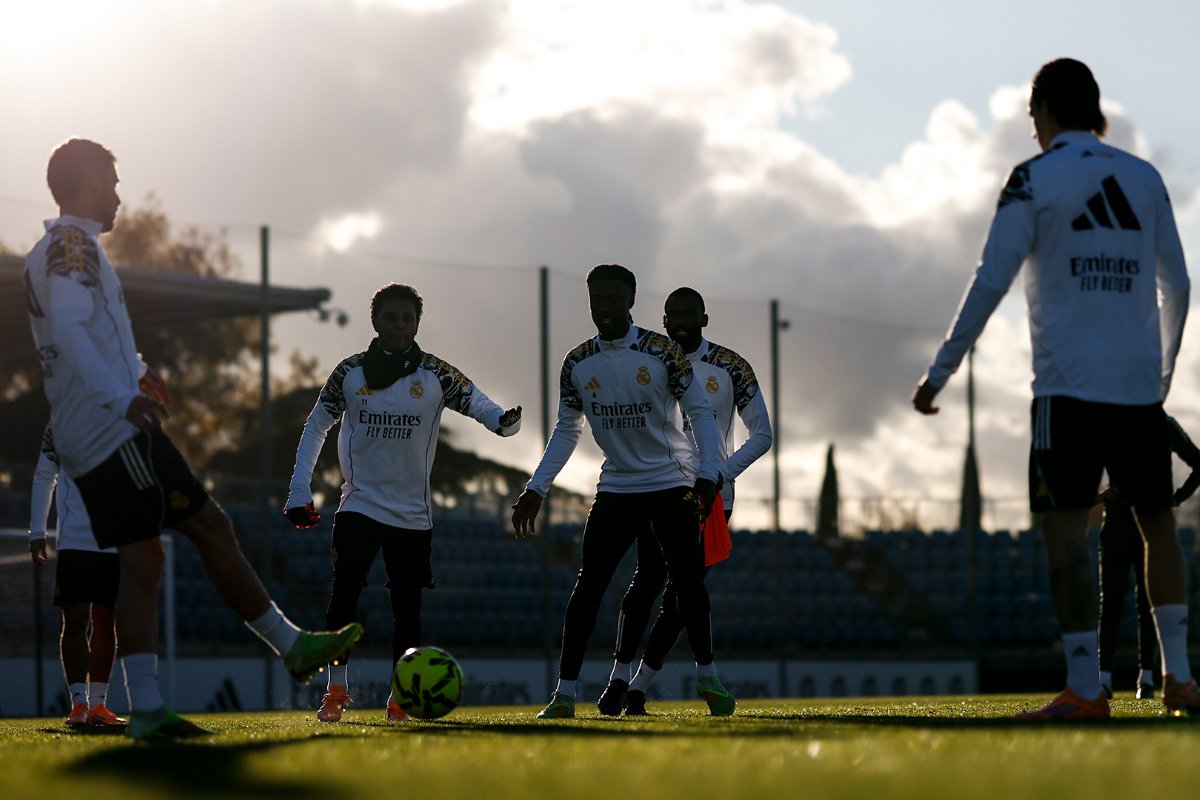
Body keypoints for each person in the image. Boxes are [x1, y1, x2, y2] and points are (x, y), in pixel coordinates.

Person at [24, 138, 362, 740]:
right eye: (112, 181)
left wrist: (134, 367)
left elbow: (84, 330)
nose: (119, 195)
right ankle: (166, 701)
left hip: (108, 428)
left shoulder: (58, 250)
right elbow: (72, 330)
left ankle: (279, 652)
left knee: (192, 534)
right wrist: (120, 396)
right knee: (159, 550)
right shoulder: (71, 246)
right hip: (108, 433)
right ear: (87, 183)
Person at [912, 59, 1193, 720]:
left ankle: (1085, 689)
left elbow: (990, 280)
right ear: (1096, 108)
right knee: (1160, 526)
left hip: (1067, 392)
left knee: (1066, 534)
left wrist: (940, 372)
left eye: (1031, 116)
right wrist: (1161, 376)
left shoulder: (1033, 178)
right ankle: (1180, 676)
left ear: (1042, 110)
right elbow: (1178, 286)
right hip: (1137, 391)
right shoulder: (1143, 177)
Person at [285, 283, 522, 723]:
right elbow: (316, 425)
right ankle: (336, 690)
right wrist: (299, 490)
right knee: (344, 598)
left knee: (407, 609)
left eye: (407, 318)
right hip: (358, 505)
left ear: (417, 324)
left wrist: (500, 421)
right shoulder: (350, 373)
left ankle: (401, 698)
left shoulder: (434, 373)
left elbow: (474, 400)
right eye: (391, 317)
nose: (399, 325)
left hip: (412, 516)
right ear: (375, 321)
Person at [511, 264, 735, 718]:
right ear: (590, 301)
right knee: (588, 586)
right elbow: (566, 429)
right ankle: (565, 694)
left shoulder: (660, 350)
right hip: (617, 484)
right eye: (598, 300)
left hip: (671, 481)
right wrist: (537, 486)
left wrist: (708, 475)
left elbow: (701, 413)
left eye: (615, 300)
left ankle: (708, 677)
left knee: (687, 582)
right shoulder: (578, 362)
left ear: (630, 302)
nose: (606, 308)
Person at [597, 287, 772, 716]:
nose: (680, 320)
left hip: (713, 498)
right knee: (647, 580)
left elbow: (762, 435)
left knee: (683, 591)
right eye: (672, 313)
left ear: (704, 319)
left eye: (689, 313)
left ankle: (638, 687)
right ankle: (619, 681)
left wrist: (718, 475)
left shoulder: (730, 367)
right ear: (663, 318)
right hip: (657, 489)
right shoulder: (649, 362)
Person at [29, 424, 125, 727]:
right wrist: (37, 530)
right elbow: (45, 475)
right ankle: (79, 704)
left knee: (106, 619)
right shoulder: (60, 421)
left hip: (114, 540)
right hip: (74, 540)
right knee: (75, 619)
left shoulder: (121, 414)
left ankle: (99, 705)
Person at [1098, 416, 1200, 699]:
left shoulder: (1113, 422)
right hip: (1147, 519)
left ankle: (1108, 679)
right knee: (1140, 605)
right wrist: (1175, 498)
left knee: (1117, 605)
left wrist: (1177, 498)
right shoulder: (1161, 423)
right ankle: (1144, 679)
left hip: (1127, 521)